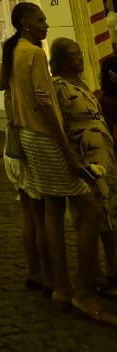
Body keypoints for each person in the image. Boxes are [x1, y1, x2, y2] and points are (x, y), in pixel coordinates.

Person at [0, 3, 112, 322]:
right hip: (45, 137)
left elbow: (1, 84)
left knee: (52, 209)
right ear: (25, 23)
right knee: (91, 210)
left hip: (28, 136)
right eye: (41, 20)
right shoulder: (34, 53)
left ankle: (61, 287)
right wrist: (67, 150)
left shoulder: (14, 51)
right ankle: (83, 292)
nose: (46, 24)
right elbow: (45, 102)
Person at [50, 36, 117, 297]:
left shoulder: (82, 82)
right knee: (93, 214)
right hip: (85, 155)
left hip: (104, 154)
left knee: (110, 212)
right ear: (61, 59)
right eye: (73, 54)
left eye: (79, 53)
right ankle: (94, 276)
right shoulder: (59, 86)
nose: (79, 58)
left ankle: (111, 270)